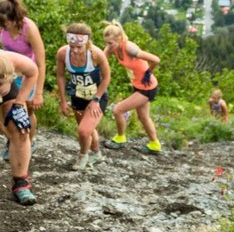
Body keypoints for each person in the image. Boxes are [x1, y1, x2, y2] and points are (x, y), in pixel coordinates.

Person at [0, 46, 41, 203]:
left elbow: (34, 72)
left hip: (7, 87)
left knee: (20, 129)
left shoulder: (14, 62)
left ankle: (21, 183)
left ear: (11, 76)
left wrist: (19, 103)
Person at [56, 22, 112, 171]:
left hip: (97, 97)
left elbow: (107, 78)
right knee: (88, 129)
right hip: (78, 97)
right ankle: (97, 154)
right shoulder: (62, 53)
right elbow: (60, 76)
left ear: (87, 43)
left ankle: (83, 156)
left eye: (79, 47)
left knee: (83, 131)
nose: (74, 50)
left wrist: (96, 99)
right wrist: (63, 100)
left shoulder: (96, 54)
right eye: (71, 46)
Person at [103, 22, 162, 153]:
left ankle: (120, 139)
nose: (108, 46)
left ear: (119, 39)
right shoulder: (114, 47)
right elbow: (102, 59)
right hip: (138, 85)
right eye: (106, 43)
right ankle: (155, 145)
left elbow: (156, 59)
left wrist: (148, 72)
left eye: (110, 43)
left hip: (147, 87)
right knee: (143, 117)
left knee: (117, 110)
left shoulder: (130, 49)